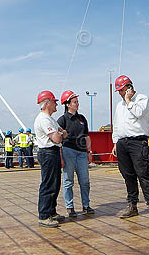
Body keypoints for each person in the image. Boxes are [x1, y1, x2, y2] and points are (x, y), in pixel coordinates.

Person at [111, 75, 149, 225]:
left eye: (121, 90)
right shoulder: (119, 106)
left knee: (143, 175)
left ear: (129, 88)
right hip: (122, 143)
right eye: (119, 91)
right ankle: (132, 205)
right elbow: (117, 124)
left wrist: (128, 101)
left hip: (137, 142)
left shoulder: (142, 99)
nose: (120, 93)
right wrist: (115, 142)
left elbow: (138, 113)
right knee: (128, 175)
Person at [57, 90, 94, 219]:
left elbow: (87, 136)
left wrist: (89, 151)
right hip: (68, 152)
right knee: (68, 181)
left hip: (82, 153)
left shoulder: (82, 119)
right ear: (67, 104)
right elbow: (58, 140)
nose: (77, 104)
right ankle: (70, 207)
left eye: (77, 101)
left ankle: (86, 205)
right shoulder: (62, 120)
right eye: (75, 102)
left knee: (85, 181)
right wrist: (61, 157)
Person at [34, 90, 68, 228]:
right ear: (47, 103)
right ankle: (44, 215)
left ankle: (51, 212)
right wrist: (60, 133)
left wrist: (60, 133)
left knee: (55, 184)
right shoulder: (44, 119)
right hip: (47, 153)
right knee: (48, 184)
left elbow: (61, 134)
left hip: (53, 152)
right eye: (54, 102)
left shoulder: (50, 119)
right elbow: (58, 137)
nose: (56, 105)